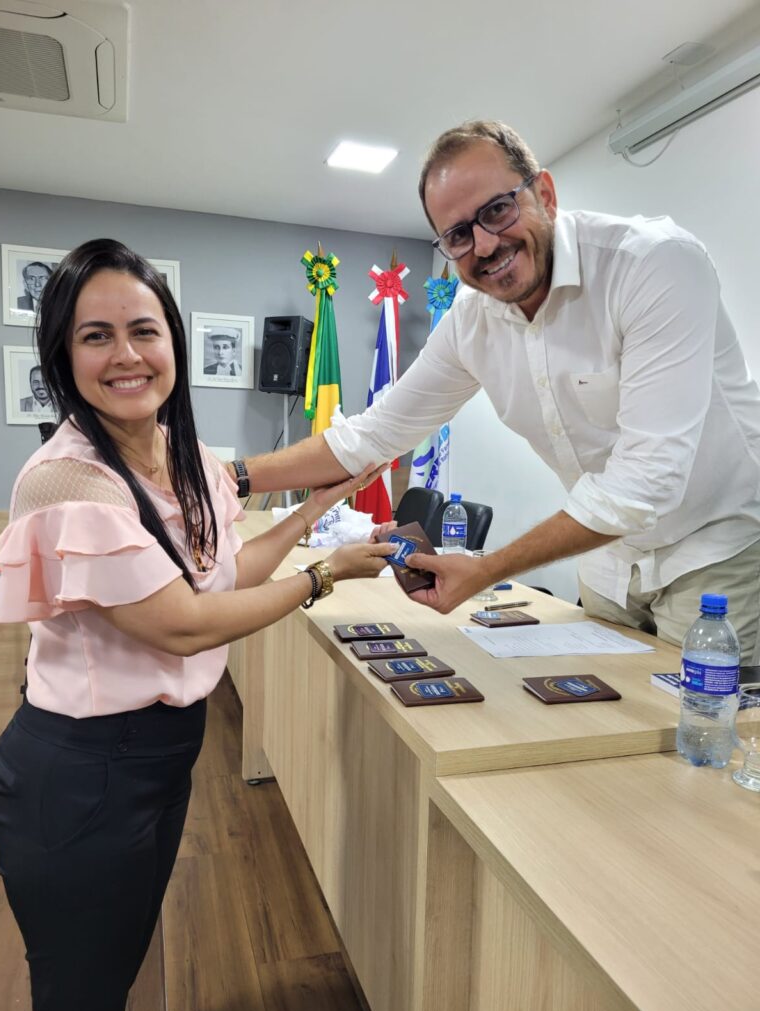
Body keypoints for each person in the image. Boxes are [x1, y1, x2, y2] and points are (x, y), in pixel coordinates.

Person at [0, 238, 394, 1011]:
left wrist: (314, 513)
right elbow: (183, 626)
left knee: (116, 970)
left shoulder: (178, 456)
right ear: (63, 355)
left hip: (162, 755)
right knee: (78, 998)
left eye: (144, 330)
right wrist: (323, 577)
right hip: (80, 773)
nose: (126, 355)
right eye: (96, 335)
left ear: (172, 342)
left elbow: (224, 574)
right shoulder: (70, 480)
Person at [225, 119, 760, 664]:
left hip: (715, 547)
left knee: (707, 715)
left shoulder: (652, 264)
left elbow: (645, 482)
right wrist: (227, 478)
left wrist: (486, 570)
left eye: (498, 210)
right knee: (597, 708)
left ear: (544, 194)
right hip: (609, 560)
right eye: (458, 235)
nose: (484, 244)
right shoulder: (470, 320)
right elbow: (372, 436)